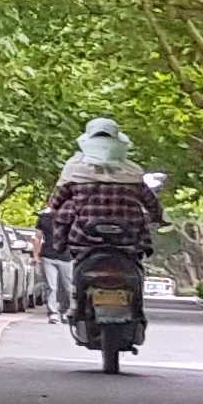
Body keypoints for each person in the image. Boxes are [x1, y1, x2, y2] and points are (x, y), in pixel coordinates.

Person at [40, 120, 161, 323]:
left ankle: (76, 304)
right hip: (128, 239)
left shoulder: (75, 171)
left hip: (85, 238)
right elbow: (151, 203)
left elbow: (56, 202)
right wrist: (158, 217)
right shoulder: (132, 172)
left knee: (77, 263)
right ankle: (137, 309)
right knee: (137, 267)